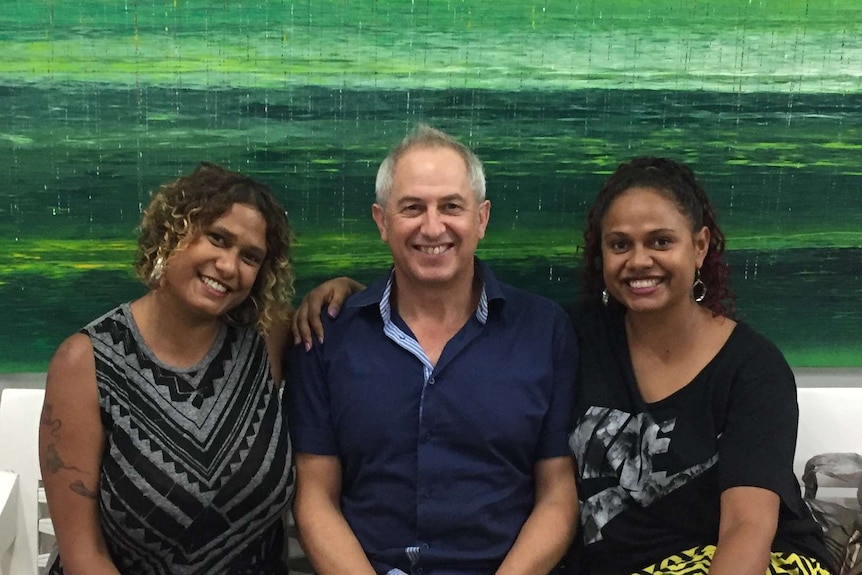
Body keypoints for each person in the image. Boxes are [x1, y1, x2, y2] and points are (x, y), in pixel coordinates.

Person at [293, 156, 833, 575]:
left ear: (700, 246)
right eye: (620, 244)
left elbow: (746, 527)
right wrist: (349, 296)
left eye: (660, 242)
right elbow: (440, 303)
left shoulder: (753, 367)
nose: (639, 260)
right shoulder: (565, 334)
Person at [288, 124, 579, 575]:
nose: (432, 226)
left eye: (451, 207)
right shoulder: (328, 336)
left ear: (481, 219)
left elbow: (558, 496)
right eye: (411, 208)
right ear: (381, 221)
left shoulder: (543, 331)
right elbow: (314, 497)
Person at [39, 162, 295, 574]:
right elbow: (83, 556)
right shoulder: (85, 363)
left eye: (249, 256)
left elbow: (348, 322)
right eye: (217, 238)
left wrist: (342, 289)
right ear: (171, 233)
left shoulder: (267, 339)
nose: (229, 266)